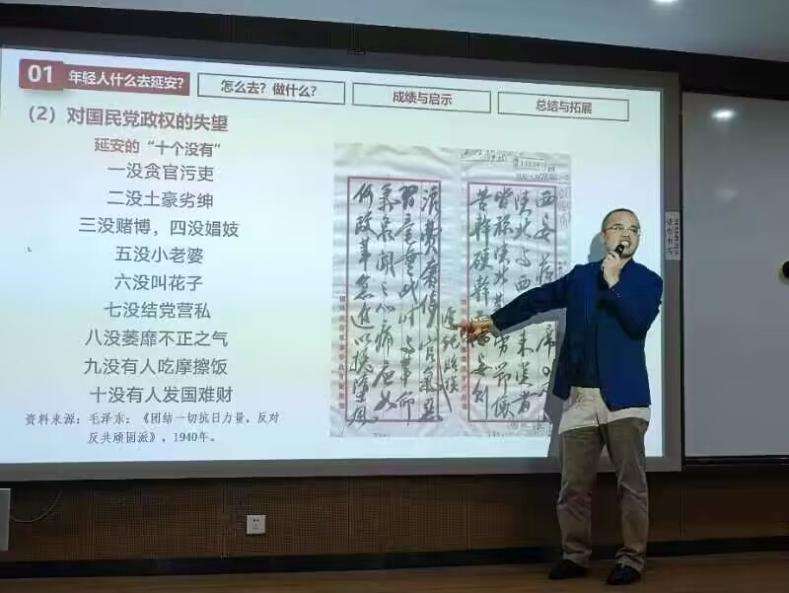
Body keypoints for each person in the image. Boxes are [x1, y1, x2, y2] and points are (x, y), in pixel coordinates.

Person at [460, 208, 662, 586]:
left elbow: (638, 322)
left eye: (635, 229)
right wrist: (494, 321)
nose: (627, 234)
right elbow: (539, 298)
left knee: (631, 486)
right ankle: (575, 556)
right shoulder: (581, 277)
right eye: (619, 227)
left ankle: (632, 560)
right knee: (573, 488)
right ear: (604, 235)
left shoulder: (648, 281)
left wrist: (614, 281)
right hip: (580, 398)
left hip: (626, 400)